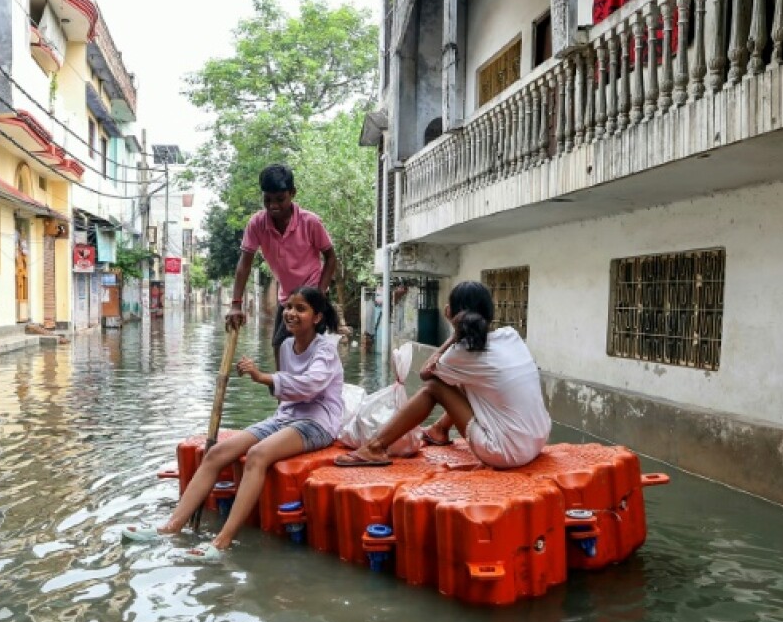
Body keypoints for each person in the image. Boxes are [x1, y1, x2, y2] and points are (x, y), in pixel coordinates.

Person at [125, 286, 345, 561]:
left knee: (257, 454)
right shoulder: (288, 345)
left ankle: (222, 541)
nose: (290, 313)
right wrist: (268, 382)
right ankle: (170, 527)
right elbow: (288, 393)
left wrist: (262, 377)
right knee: (216, 453)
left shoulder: (326, 350)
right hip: (286, 417)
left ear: (317, 317)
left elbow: (311, 386)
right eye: (289, 307)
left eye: (300, 309)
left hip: (318, 421)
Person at [335, 280, 551, 469]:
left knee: (435, 387)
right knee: (466, 384)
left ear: (451, 312)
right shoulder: (510, 335)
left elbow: (426, 374)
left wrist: (454, 335)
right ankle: (439, 429)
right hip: (539, 438)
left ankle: (375, 447)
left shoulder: (462, 352)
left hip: (507, 453)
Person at [226, 164, 338, 370]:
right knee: (279, 347)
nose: (273, 206)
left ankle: (302, 393)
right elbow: (244, 264)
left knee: (308, 352)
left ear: (292, 194)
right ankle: (283, 398)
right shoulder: (257, 224)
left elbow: (331, 258)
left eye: (280, 199)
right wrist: (235, 304)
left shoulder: (310, 222)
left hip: (312, 294)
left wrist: (320, 295)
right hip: (286, 297)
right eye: (267, 200)